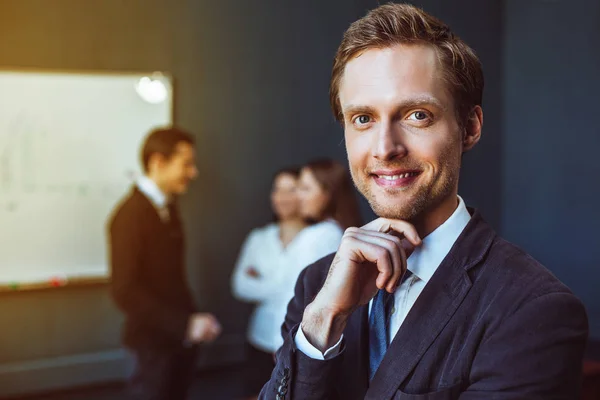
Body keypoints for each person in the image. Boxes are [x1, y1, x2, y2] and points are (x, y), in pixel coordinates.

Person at [260, 4, 588, 400]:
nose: (385, 149)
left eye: (417, 115)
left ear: (469, 128)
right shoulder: (317, 285)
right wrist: (323, 320)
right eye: (363, 118)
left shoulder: (533, 310)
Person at [107, 126, 221, 400]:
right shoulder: (128, 216)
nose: (193, 173)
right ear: (158, 162)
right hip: (150, 348)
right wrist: (184, 324)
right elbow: (124, 291)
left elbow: (172, 279)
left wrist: (193, 322)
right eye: (186, 164)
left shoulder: (168, 207)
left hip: (176, 343)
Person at [232, 161, 361, 399]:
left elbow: (297, 297)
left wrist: (283, 347)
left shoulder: (318, 237)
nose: (296, 197)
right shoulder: (338, 233)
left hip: (304, 346)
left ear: (326, 193)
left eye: (304, 188)